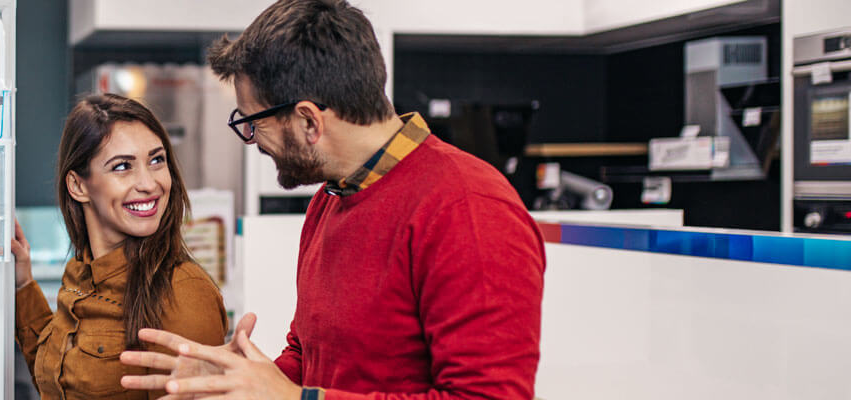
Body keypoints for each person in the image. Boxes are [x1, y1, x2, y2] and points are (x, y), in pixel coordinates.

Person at [119, 1, 546, 399]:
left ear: (308, 120)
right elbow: (309, 357)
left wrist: (296, 398)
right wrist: (240, 379)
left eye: (253, 123)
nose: (252, 141)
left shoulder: (468, 209)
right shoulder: (332, 197)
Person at [12, 93, 231, 399]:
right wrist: (23, 285)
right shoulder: (79, 272)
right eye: (122, 167)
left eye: (157, 160)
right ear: (77, 186)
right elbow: (58, 381)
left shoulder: (182, 291)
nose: (149, 183)